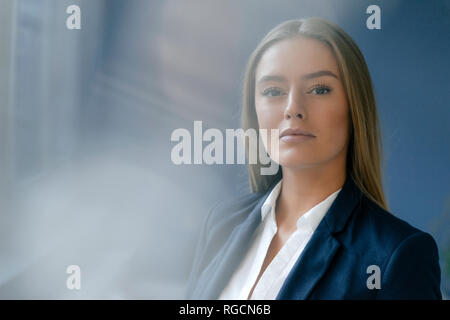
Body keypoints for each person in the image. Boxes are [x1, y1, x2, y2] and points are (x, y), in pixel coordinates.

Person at [185, 17, 442, 300]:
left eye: (319, 89)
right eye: (273, 91)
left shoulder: (398, 256)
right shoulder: (222, 222)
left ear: (354, 106)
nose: (293, 108)